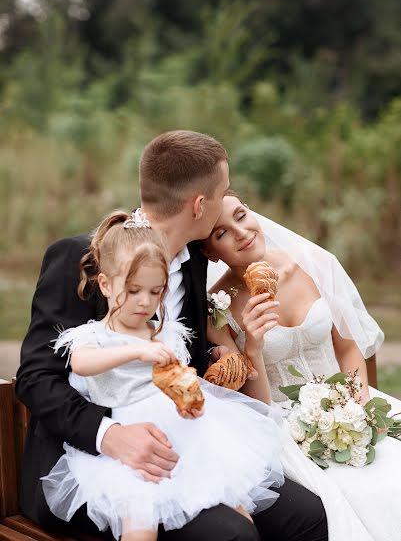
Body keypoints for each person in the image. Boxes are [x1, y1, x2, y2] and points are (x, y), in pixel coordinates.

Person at [17, 130, 328, 541]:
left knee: (307, 516)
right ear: (201, 206)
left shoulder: (194, 262)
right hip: (91, 463)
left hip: (184, 443)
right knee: (232, 535)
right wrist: (110, 436)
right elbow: (37, 377)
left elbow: (187, 358)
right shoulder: (85, 258)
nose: (225, 201)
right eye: (223, 193)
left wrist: (224, 359)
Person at [41, 209, 285, 541]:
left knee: (235, 502)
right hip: (127, 442)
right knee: (139, 520)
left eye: (155, 292)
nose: (145, 302)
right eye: (134, 290)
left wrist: (190, 401)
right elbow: (82, 364)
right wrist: (135, 351)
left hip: (181, 437)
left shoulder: (164, 333)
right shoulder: (93, 337)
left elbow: (176, 379)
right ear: (106, 285)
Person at [204, 191, 401, 540]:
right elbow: (258, 406)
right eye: (221, 233)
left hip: (352, 404)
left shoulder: (314, 263)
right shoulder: (218, 308)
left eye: (241, 214)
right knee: (364, 495)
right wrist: (254, 345)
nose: (241, 231)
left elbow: (349, 349)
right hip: (285, 429)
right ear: (209, 252)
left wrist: (357, 408)